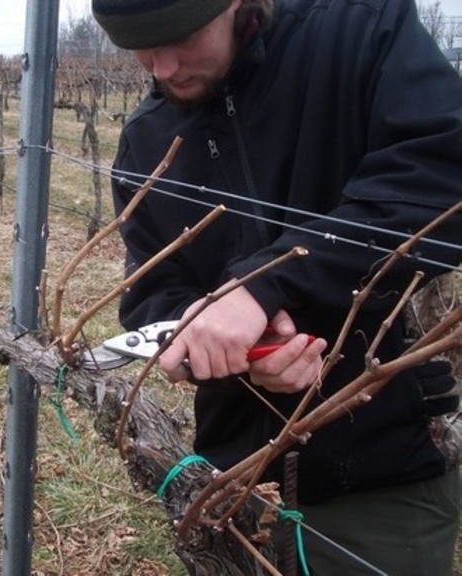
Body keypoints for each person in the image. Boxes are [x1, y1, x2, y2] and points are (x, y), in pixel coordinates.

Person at [91, 0, 462, 574]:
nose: (162, 68)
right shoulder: (148, 143)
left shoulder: (360, 29)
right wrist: (220, 347)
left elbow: (440, 182)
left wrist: (265, 287)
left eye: (182, 37)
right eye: (137, 47)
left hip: (382, 472)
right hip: (231, 480)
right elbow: (151, 294)